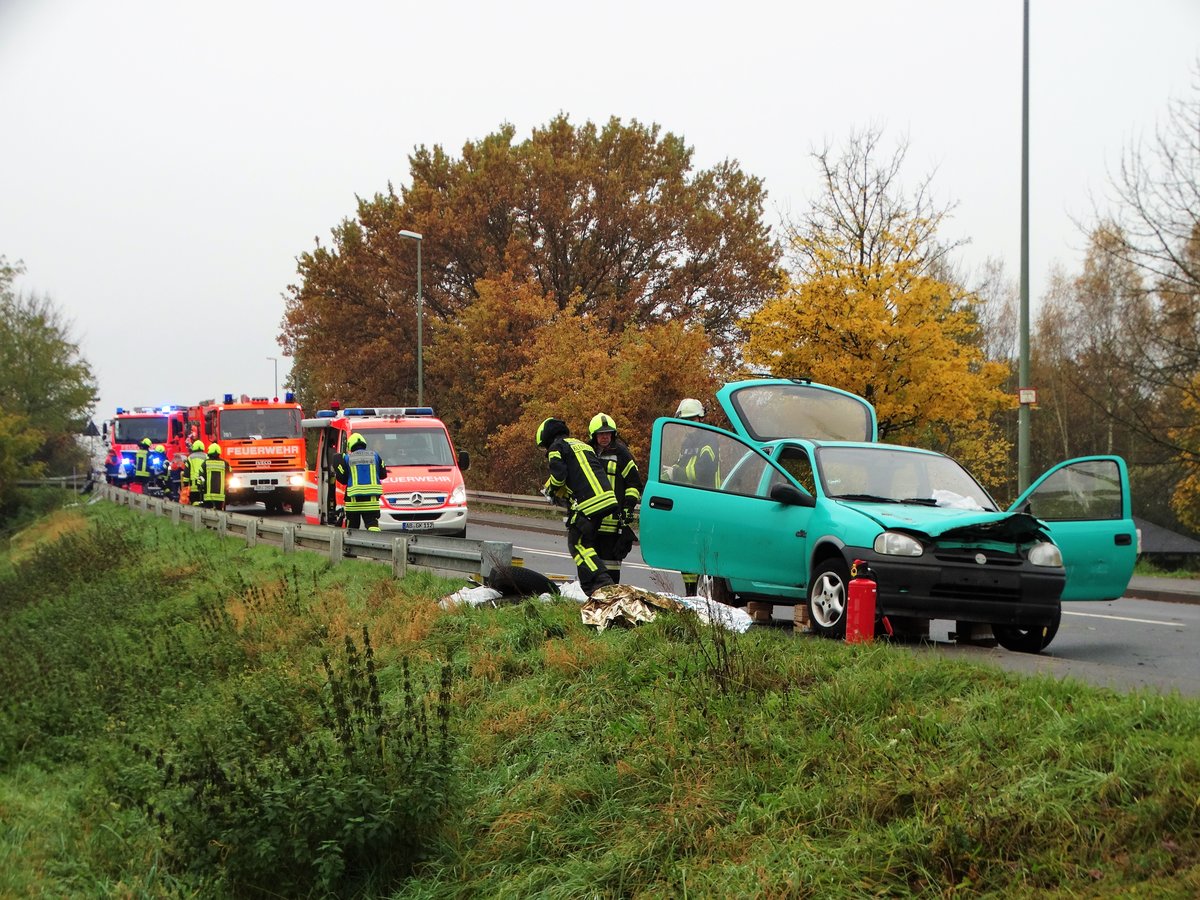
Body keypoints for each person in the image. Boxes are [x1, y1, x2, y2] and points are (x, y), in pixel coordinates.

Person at [537, 417, 618, 597]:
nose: (545, 450)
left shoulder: (556, 448)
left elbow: (559, 477)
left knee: (578, 545)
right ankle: (590, 589)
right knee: (586, 544)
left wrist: (552, 491)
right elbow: (581, 473)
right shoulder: (582, 445)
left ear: (547, 438)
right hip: (606, 498)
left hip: (589, 503)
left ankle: (605, 584)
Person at [666, 398, 720, 596]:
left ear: (700, 418)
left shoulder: (709, 440)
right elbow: (681, 464)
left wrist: (676, 473)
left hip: (707, 502)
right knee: (687, 550)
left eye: (692, 419)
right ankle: (690, 594)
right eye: (685, 421)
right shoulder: (687, 442)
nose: (689, 425)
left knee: (701, 551)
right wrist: (667, 473)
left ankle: (702, 596)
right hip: (689, 503)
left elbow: (704, 471)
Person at [587, 413, 643, 584]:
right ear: (593, 436)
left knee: (611, 567)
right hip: (591, 520)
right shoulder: (587, 454)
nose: (605, 437)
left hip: (612, 523)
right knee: (590, 565)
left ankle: (611, 596)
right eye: (601, 434)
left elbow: (634, 483)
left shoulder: (621, 454)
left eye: (608, 433)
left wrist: (628, 507)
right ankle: (592, 595)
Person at [335, 432, 386, 531]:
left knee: (353, 528)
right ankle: (374, 540)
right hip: (372, 501)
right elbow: (383, 474)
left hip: (353, 502)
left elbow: (343, 479)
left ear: (350, 445)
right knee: (372, 525)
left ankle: (353, 541)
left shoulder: (347, 458)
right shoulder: (375, 455)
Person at [199, 442, 227, 510]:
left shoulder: (205, 463)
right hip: (220, 496)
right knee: (219, 511)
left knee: (208, 512)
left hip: (208, 496)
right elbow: (230, 476)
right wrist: (226, 487)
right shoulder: (225, 463)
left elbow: (201, 478)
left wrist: (200, 488)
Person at [185, 439, 207, 505]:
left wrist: (185, 485)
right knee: (203, 503)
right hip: (204, 485)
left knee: (194, 503)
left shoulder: (190, 458)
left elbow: (186, 473)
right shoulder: (206, 457)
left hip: (193, 486)